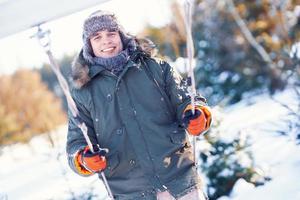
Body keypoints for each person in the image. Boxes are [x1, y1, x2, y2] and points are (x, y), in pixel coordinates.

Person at [66, 10, 212, 200]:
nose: (106, 41)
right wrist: (84, 159)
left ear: (121, 35)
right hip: (131, 191)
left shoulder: (155, 67)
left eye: (111, 33)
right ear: (88, 45)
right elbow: (76, 142)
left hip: (179, 178)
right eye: (97, 37)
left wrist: (198, 114)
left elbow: (187, 100)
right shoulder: (83, 92)